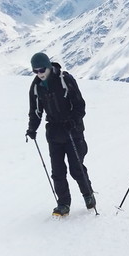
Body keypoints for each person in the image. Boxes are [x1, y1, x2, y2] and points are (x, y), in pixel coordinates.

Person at [26, 52, 96, 217]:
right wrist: (32, 128)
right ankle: (63, 204)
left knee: (76, 168)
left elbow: (80, 104)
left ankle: (88, 194)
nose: (39, 73)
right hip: (54, 133)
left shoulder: (65, 79)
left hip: (73, 131)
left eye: (42, 69)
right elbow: (35, 111)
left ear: (48, 67)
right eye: (35, 71)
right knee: (57, 171)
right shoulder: (36, 87)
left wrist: (73, 120)